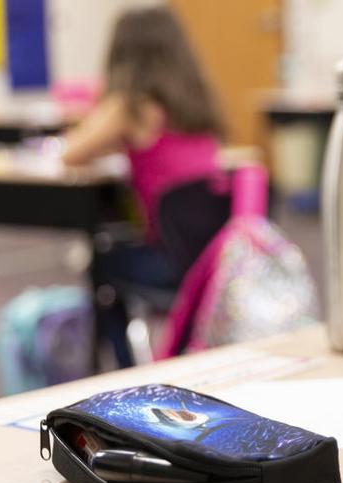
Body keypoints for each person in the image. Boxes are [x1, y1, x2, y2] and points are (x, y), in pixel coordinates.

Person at [62, 6, 225, 367]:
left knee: (101, 262)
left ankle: (123, 368)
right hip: (213, 258)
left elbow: (71, 153)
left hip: (170, 261)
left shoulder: (130, 105)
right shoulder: (197, 102)